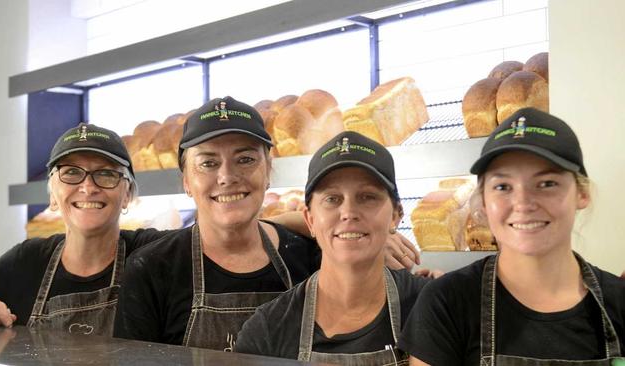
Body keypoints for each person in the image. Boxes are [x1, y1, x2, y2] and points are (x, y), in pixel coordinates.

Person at [112, 97, 422, 350]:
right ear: (187, 182)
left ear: (268, 170)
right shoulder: (152, 270)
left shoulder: (307, 254)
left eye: (245, 159)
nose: (227, 176)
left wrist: (371, 243)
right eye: (208, 163)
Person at [400, 107, 625, 365]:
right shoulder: (447, 303)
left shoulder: (619, 302)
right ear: (483, 203)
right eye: (503, 187)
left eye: (547, 183)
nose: (523, 203)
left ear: (581, 194)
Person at [234, 131, 430, 364]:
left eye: (367, 197)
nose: (348, 213)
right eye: (332, 199)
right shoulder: (267, 330)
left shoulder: (433, 307)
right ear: (310, 220)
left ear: (396, 216)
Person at [0, 124, 165, 335]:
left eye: (106, 173)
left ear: (127, 194)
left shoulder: (153, 254)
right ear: (53, 196)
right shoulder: (26, 260)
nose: (88, 188)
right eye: (71, 172)